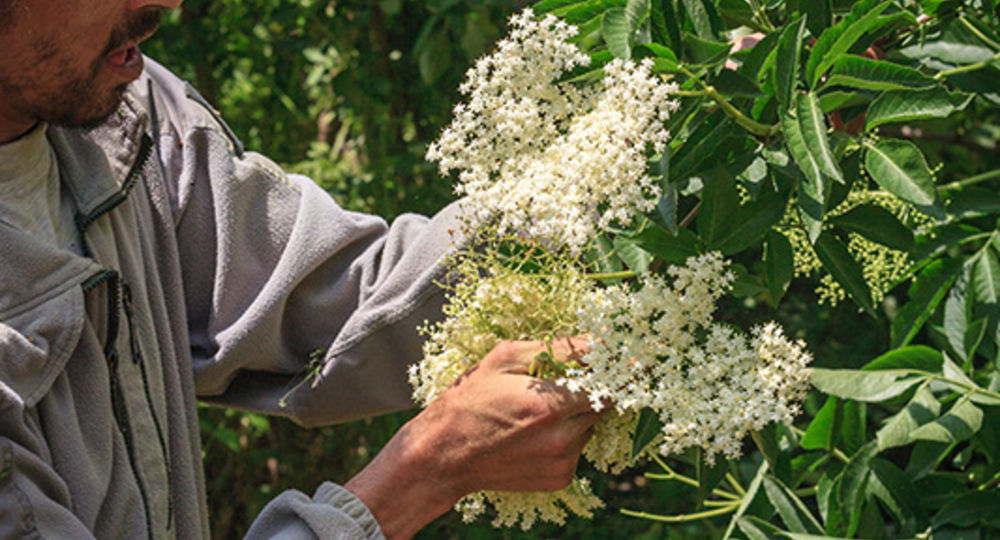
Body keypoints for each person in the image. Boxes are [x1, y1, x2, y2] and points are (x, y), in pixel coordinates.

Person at [0, 1, 600, 538]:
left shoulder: (124, 115)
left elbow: (343, 291)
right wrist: (422, 476)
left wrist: (602, 205)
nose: (167, 2)